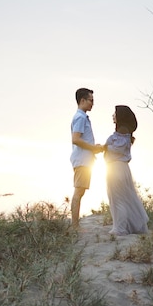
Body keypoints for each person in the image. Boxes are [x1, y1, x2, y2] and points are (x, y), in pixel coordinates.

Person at [103, 105, 149, 236]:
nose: (112, 116)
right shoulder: (122, 133)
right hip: (117, 168)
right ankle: (121, 225)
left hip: (117, 168)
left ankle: (120, 228)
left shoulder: (122, 134)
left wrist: (105, 147)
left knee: (118, 198)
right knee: (121, 197)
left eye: (114, 113)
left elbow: (117, 149)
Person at [70, 88, 103, 228]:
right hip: (82, 160)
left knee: (80, 191)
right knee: (78, 191)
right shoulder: (80, 117)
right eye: (91, 100)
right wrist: (93, 148)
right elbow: (75, 139)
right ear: (82, 100)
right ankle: (75, 226)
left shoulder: (83, 117)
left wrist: (94, 148)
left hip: (85, 160)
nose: (92, 103)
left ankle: (75, 224)